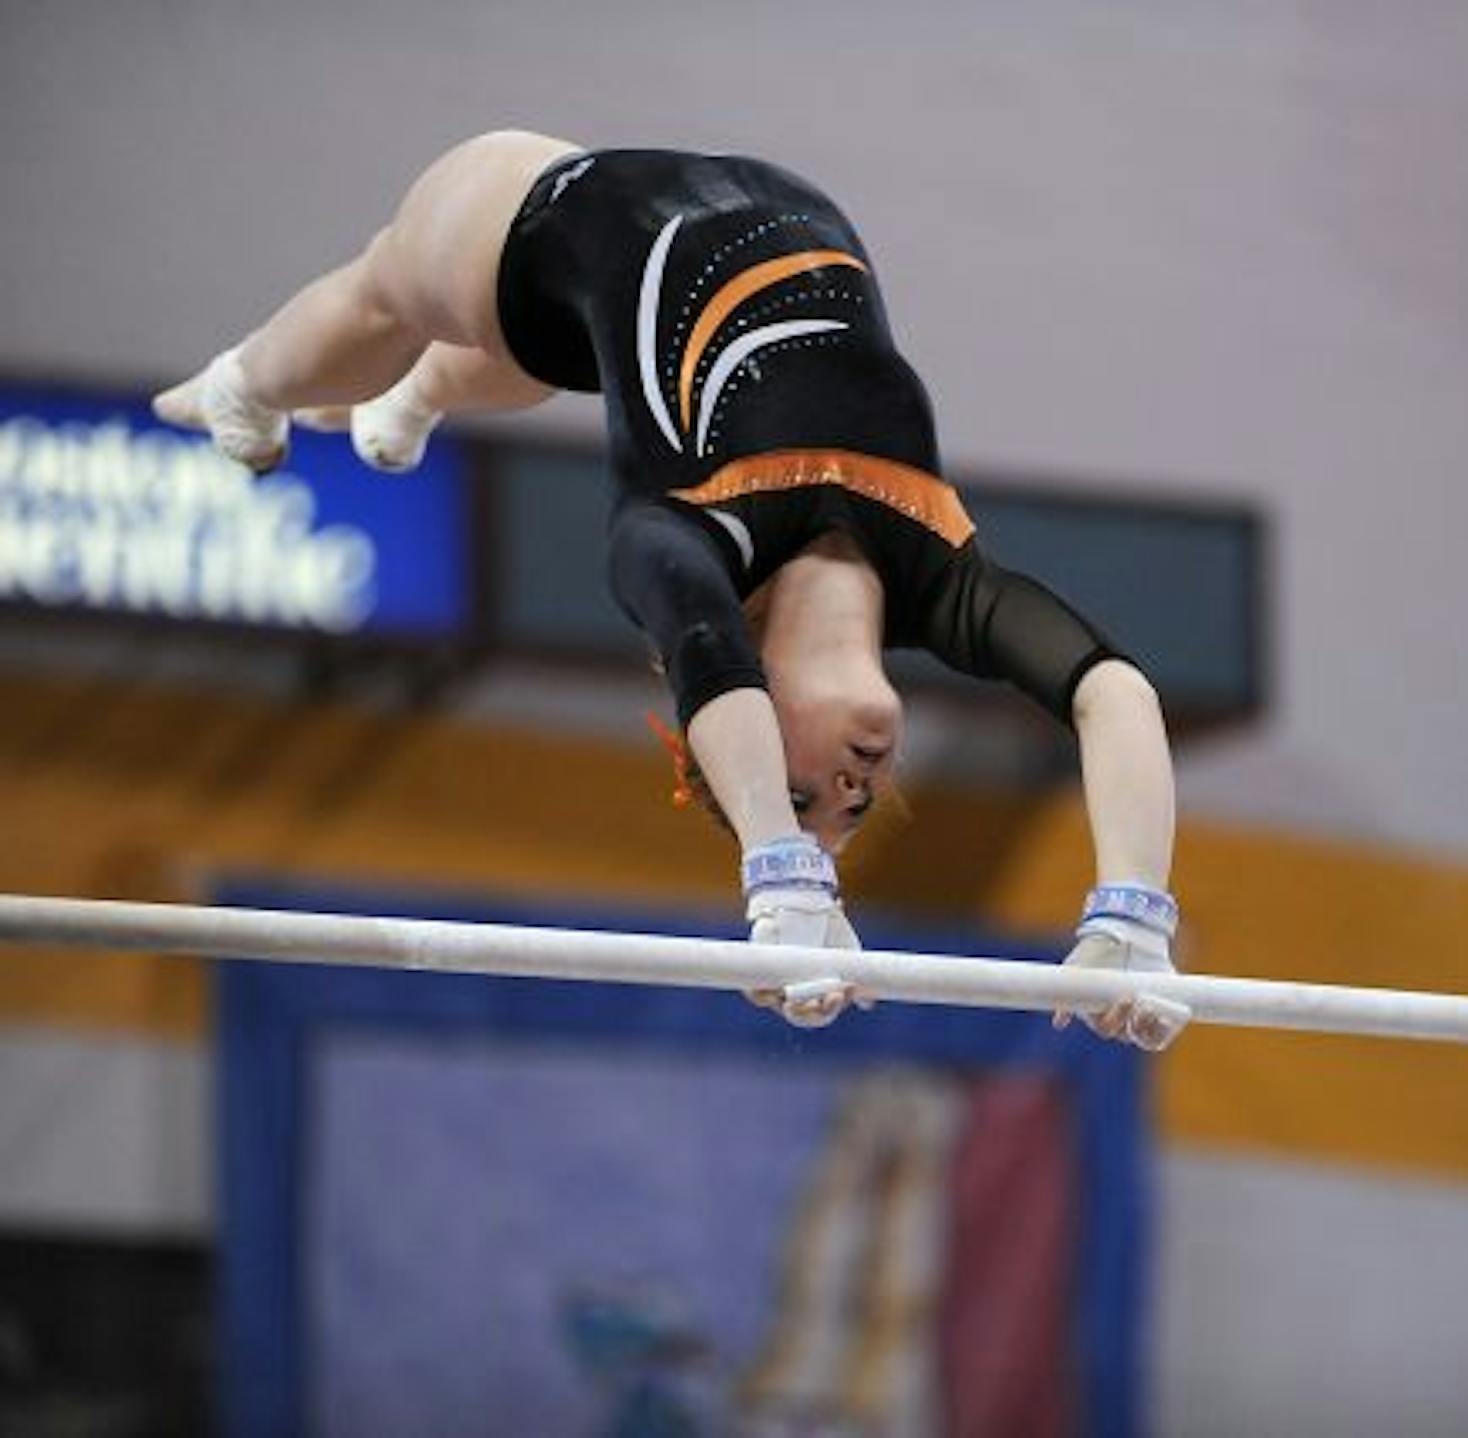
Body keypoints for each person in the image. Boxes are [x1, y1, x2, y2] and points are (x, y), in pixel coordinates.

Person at [153, 131, 1188, 1050]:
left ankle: (241, 384)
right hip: (718, 221)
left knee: (391, 291)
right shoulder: (944, 578)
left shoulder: (683, 537)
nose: (853, 792)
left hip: (550, 207)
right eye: (856, 810)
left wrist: (780, 872)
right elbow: (1114, 691)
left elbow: (706, 657)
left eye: (803, 794)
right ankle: (404, 397)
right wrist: (1132, 913)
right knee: (517, 342)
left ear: (754, 710)